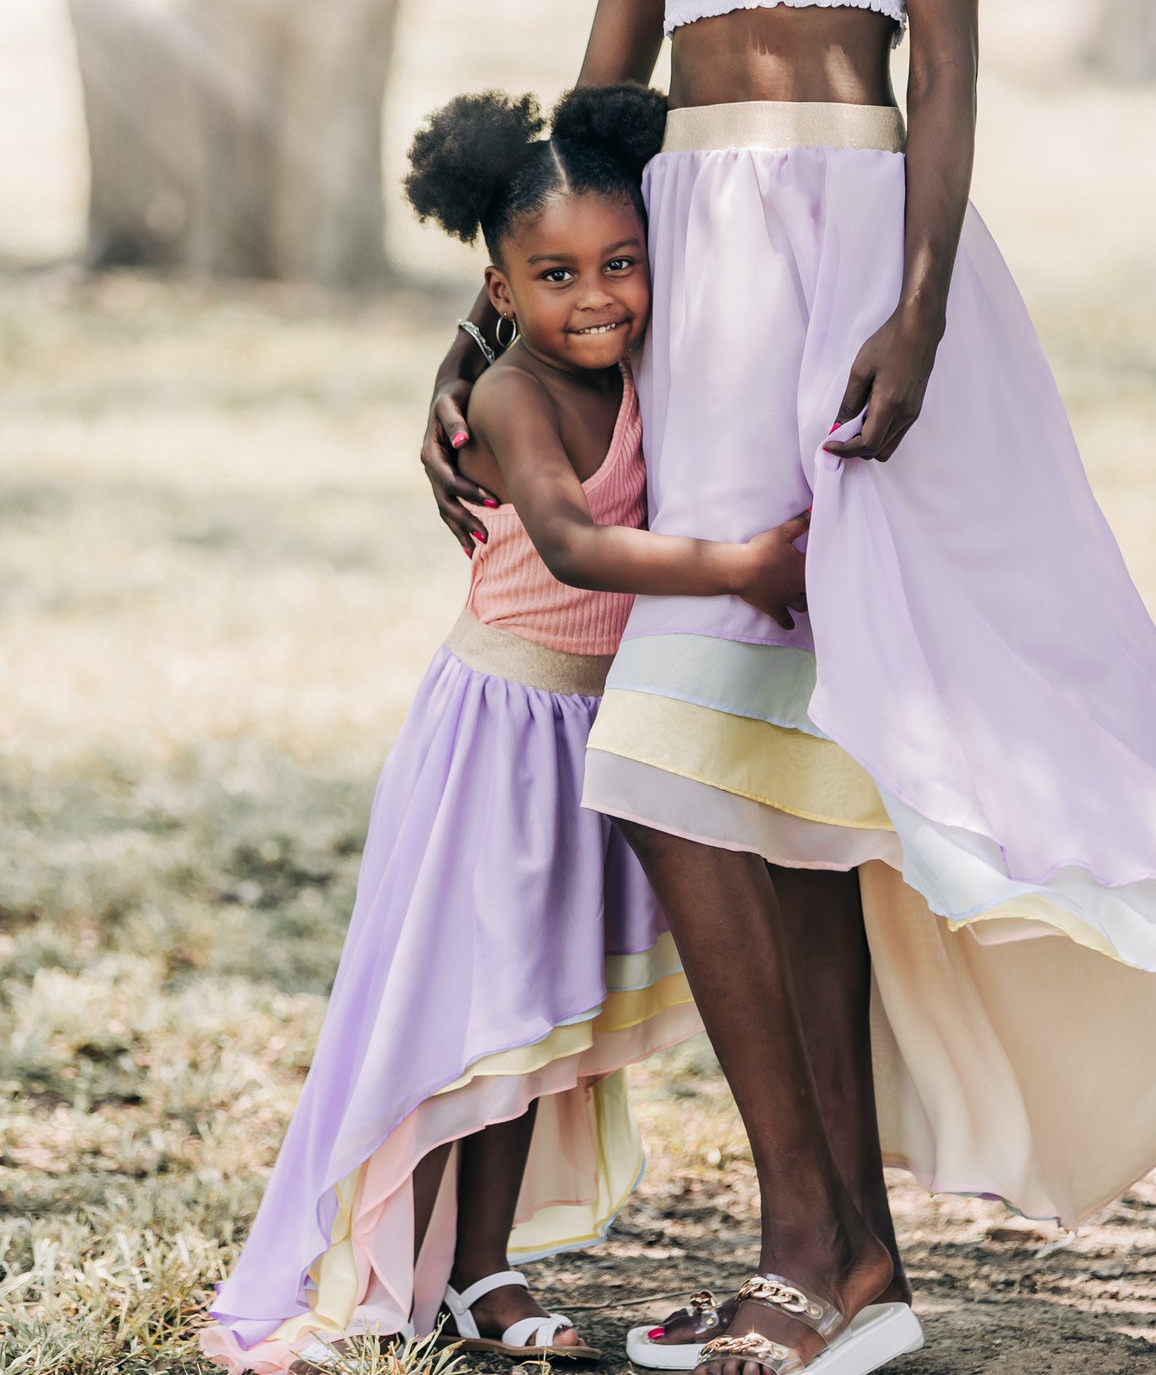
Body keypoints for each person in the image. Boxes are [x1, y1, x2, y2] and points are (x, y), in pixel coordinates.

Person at [422, 0, 1156, 1375]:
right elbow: (593, 108)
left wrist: (922, 306)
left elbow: (942, 65)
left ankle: (819, 1253)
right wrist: (485, 329)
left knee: (763, 764)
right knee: (712, 759)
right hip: (693, 278)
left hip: (856, 267)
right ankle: (845, 1255)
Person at [202, 82, 812, 1374]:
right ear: (496, 288)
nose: (594, 297)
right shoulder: (508, 402)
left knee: (528, 1023)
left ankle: (479, 1266)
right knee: (473, 1011)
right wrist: (741, 564)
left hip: (588, 735)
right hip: (496, 738)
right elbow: (576, 542)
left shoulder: (639, 361)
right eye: (553, 274)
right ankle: (457, 1263)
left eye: (620, 265)